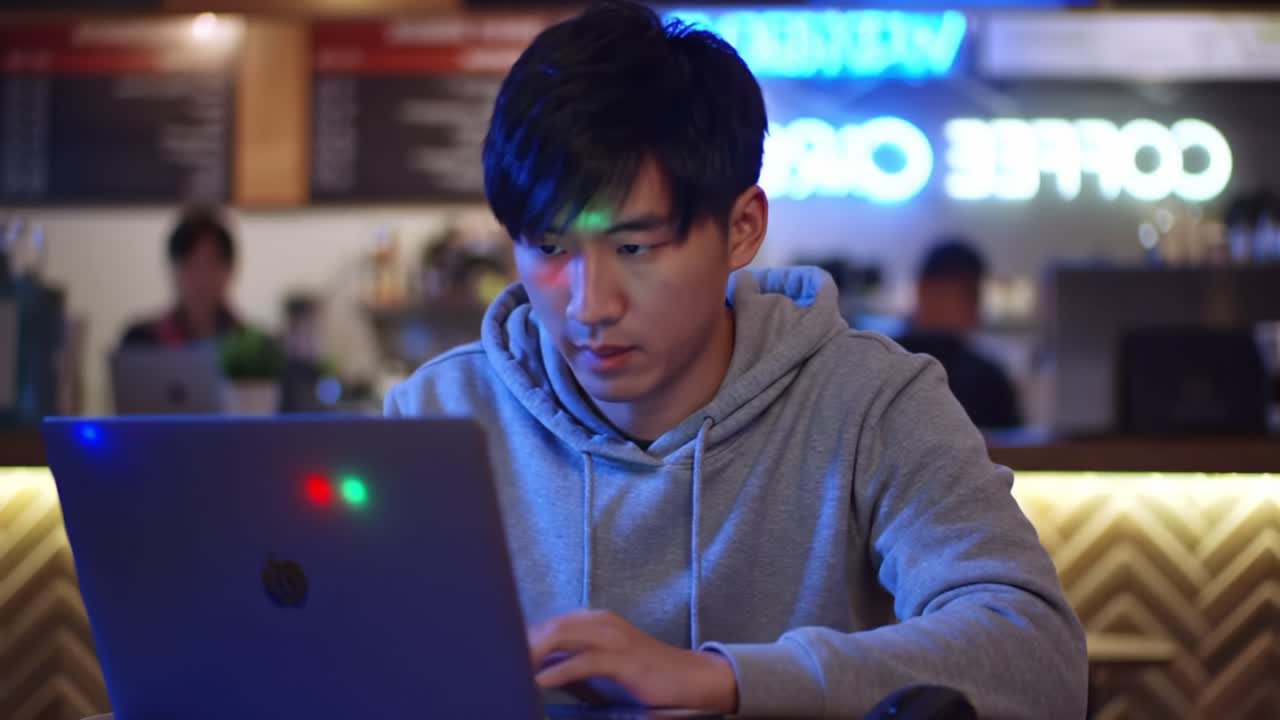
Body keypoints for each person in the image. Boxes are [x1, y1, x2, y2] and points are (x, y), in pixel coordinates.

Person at [384, 2, 1086, 717]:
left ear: (743, 228)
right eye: (549, 247)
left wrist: (723, 680)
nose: (589, 304)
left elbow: (1037, 657)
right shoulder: (440, 418)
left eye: (635, 248)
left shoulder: (872, 403)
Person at [895, 238, 1023, 430]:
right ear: (924, 290)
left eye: (976, 295)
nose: (976, 306)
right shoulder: (885, 366)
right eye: (968, 294)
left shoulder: (988, 378)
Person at [120, 207, 244, 348]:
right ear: (174, 269)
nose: (202, 277)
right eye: (191, 264)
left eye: (212, 263)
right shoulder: (141, 340)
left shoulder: (255, 347)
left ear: (230, 269)